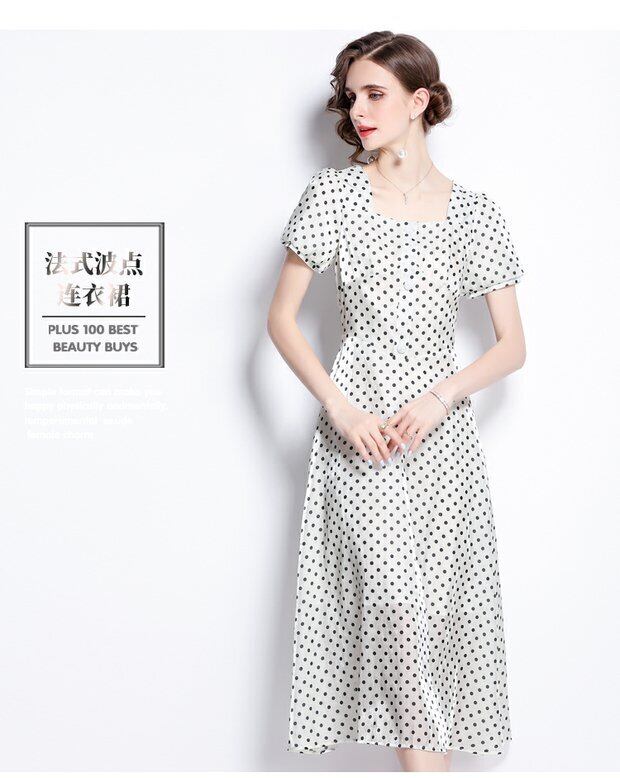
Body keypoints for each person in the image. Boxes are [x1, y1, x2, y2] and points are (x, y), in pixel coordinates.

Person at [267, 30, 526, 773]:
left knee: (433, 622)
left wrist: (444, 396)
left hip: (441, 444)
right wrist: (341, 408)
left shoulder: (475, 213)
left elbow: (511, 346)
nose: (358, 110)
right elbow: (281, 320)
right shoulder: (333, 195)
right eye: (351, 96)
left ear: (420, 101)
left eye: (375, 94)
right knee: (397, 610)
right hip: (361, 437)